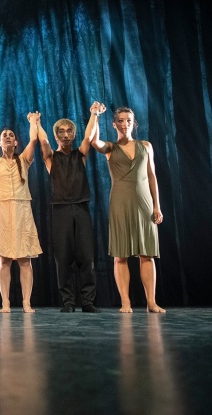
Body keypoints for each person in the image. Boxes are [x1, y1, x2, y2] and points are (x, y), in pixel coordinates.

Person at [89, 102, 166, 313]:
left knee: (147, 253)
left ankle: (151, 302)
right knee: (120, 255)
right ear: (114, 125)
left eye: (128, 121)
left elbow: (152, 176)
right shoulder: (111, 149)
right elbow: (92, 141)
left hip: (144, 202)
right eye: (121, 121)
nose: (125, 124)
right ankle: (125, 302)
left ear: (134, 124)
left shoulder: (146, 146)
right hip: (120, 202)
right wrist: (95, 115)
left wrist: (157, 206)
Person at [0, 109, 43, 313]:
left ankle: (26, 302)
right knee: (4, 259)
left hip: (22, 210)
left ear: (16, 142)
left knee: (25, 260)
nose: (7, 137)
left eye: (11, 135)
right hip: (3, 211)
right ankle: (5, 302)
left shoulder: (23, 159)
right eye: (4, 136)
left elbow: (34, 141)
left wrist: (34, 121)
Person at [38, 111, 101, 313]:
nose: (66, 135)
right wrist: (37, 122)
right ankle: (68, 302)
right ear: (57, 136)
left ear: (73, 135)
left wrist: (93, 114)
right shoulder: (51, 158)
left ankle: (88, 301)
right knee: (63, 257)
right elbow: (44, 141)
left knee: (86, 256)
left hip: (81, 207)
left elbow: (89, 137)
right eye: (62, 132)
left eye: (69, 131)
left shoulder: (79, 155)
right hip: (60, 210)